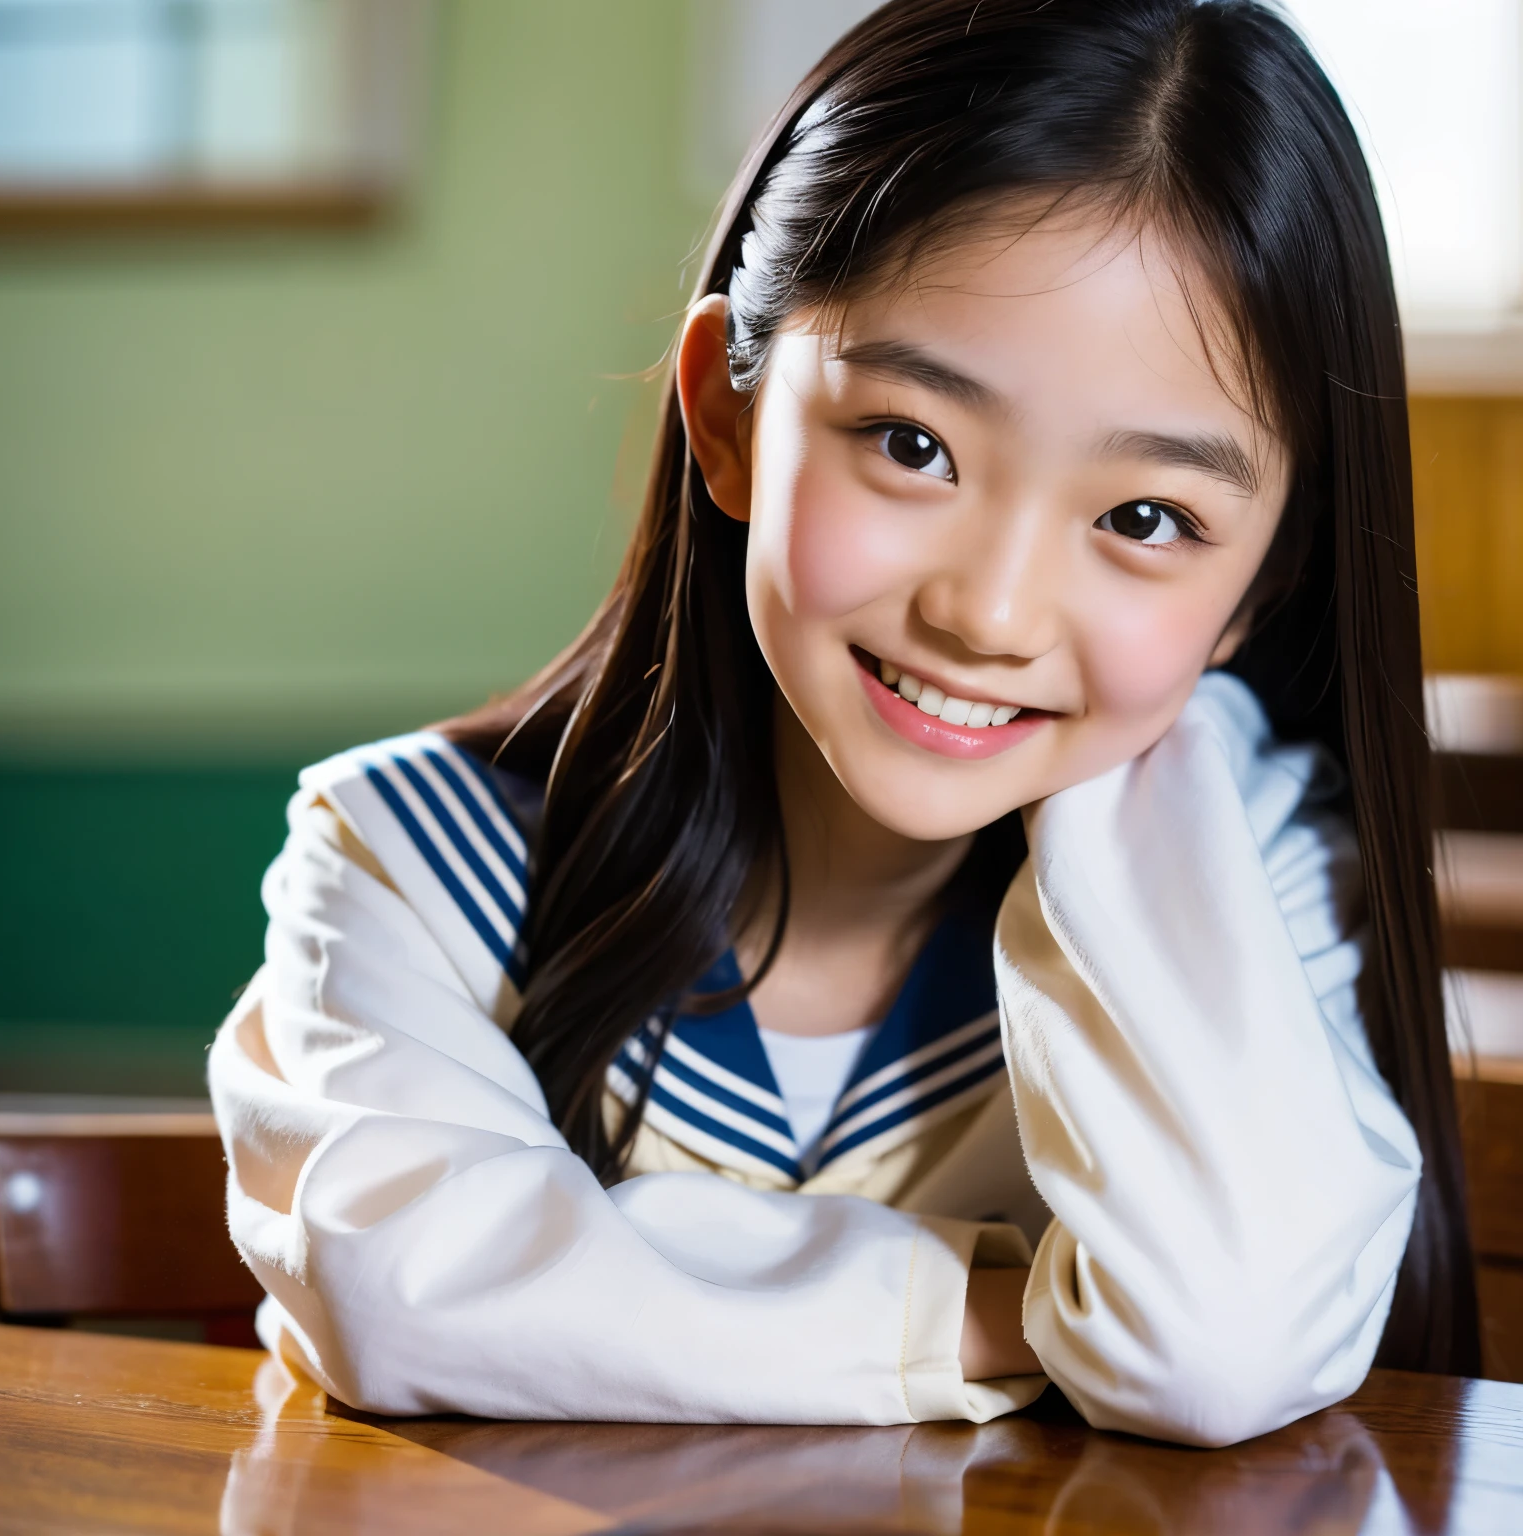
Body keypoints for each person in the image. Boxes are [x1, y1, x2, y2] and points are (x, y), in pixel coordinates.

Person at [208, 0, 1481, 1446]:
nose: (993, 614)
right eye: (913, 444)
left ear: (1260, 589)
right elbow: (408, 1295)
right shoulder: (409, 862)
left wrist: (1150, 739)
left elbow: (1226, 1348)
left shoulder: (1257, 867)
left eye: (1148, 519)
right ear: (731, 415)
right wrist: (1041, 1314)